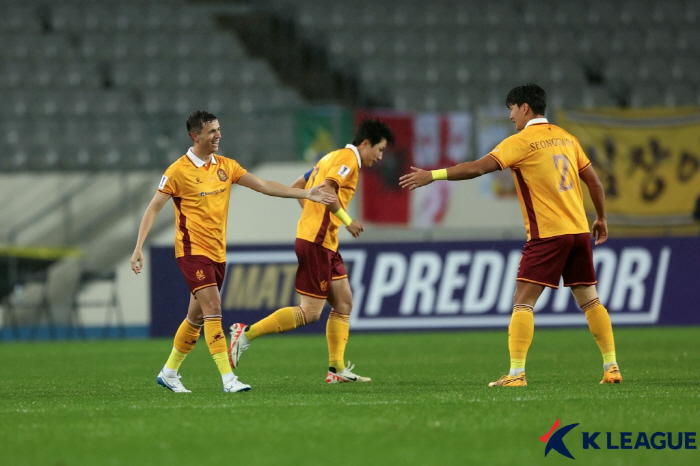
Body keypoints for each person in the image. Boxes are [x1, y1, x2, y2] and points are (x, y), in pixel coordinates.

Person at [399, 83, 621, 387]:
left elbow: (478, 168)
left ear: (525, 108)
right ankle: (611, 367)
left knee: (522, 301)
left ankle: (516, 373)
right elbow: (594, 182)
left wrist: (433, 175)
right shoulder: (566, 138)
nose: (510, 117)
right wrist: (602, 218)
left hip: (548, 234)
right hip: (579, 230)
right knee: (591, 301)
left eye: (512, 109)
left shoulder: (522, 141)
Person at [130, 110, 336, 393]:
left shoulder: (226, 166)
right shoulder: (177, 171)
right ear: (195, 136)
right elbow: (154, 207)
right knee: (213, 308)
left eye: (219, 129)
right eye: (212, 131)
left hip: (217, 253)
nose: (218, 135)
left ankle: (169, 372)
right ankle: (228, 379)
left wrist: (305, 193)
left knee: (196, 317)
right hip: (192, 251)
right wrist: (139, 246)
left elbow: (264, 186)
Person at [227, 119, 395, 383]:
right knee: (311, 312)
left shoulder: (328, 157)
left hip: (323, 240)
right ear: (365, 144)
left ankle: (336, 370)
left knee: (344, 303)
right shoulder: (348, 160)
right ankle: (245, 334)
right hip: (317, 241)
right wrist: (348, 222)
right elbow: (328, 191)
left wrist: (312, 216)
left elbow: (298, 187)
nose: (380, 156)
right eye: (380, 149)